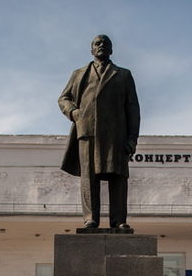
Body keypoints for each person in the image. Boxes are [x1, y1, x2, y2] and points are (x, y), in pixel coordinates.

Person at [59, 34, 140, 229]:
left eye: (106, 44)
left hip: (116, 134)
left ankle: (119, 220)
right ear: (92, 50)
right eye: (97, 43)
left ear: (111, 50)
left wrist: (132, 139)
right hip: (87, 131)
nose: (101, 45)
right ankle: (90, 218)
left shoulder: (123, 75)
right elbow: (64, 98)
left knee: (118, 177)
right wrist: (74, 113)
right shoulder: (79, 73)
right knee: (89, 177)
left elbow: (133, 109)